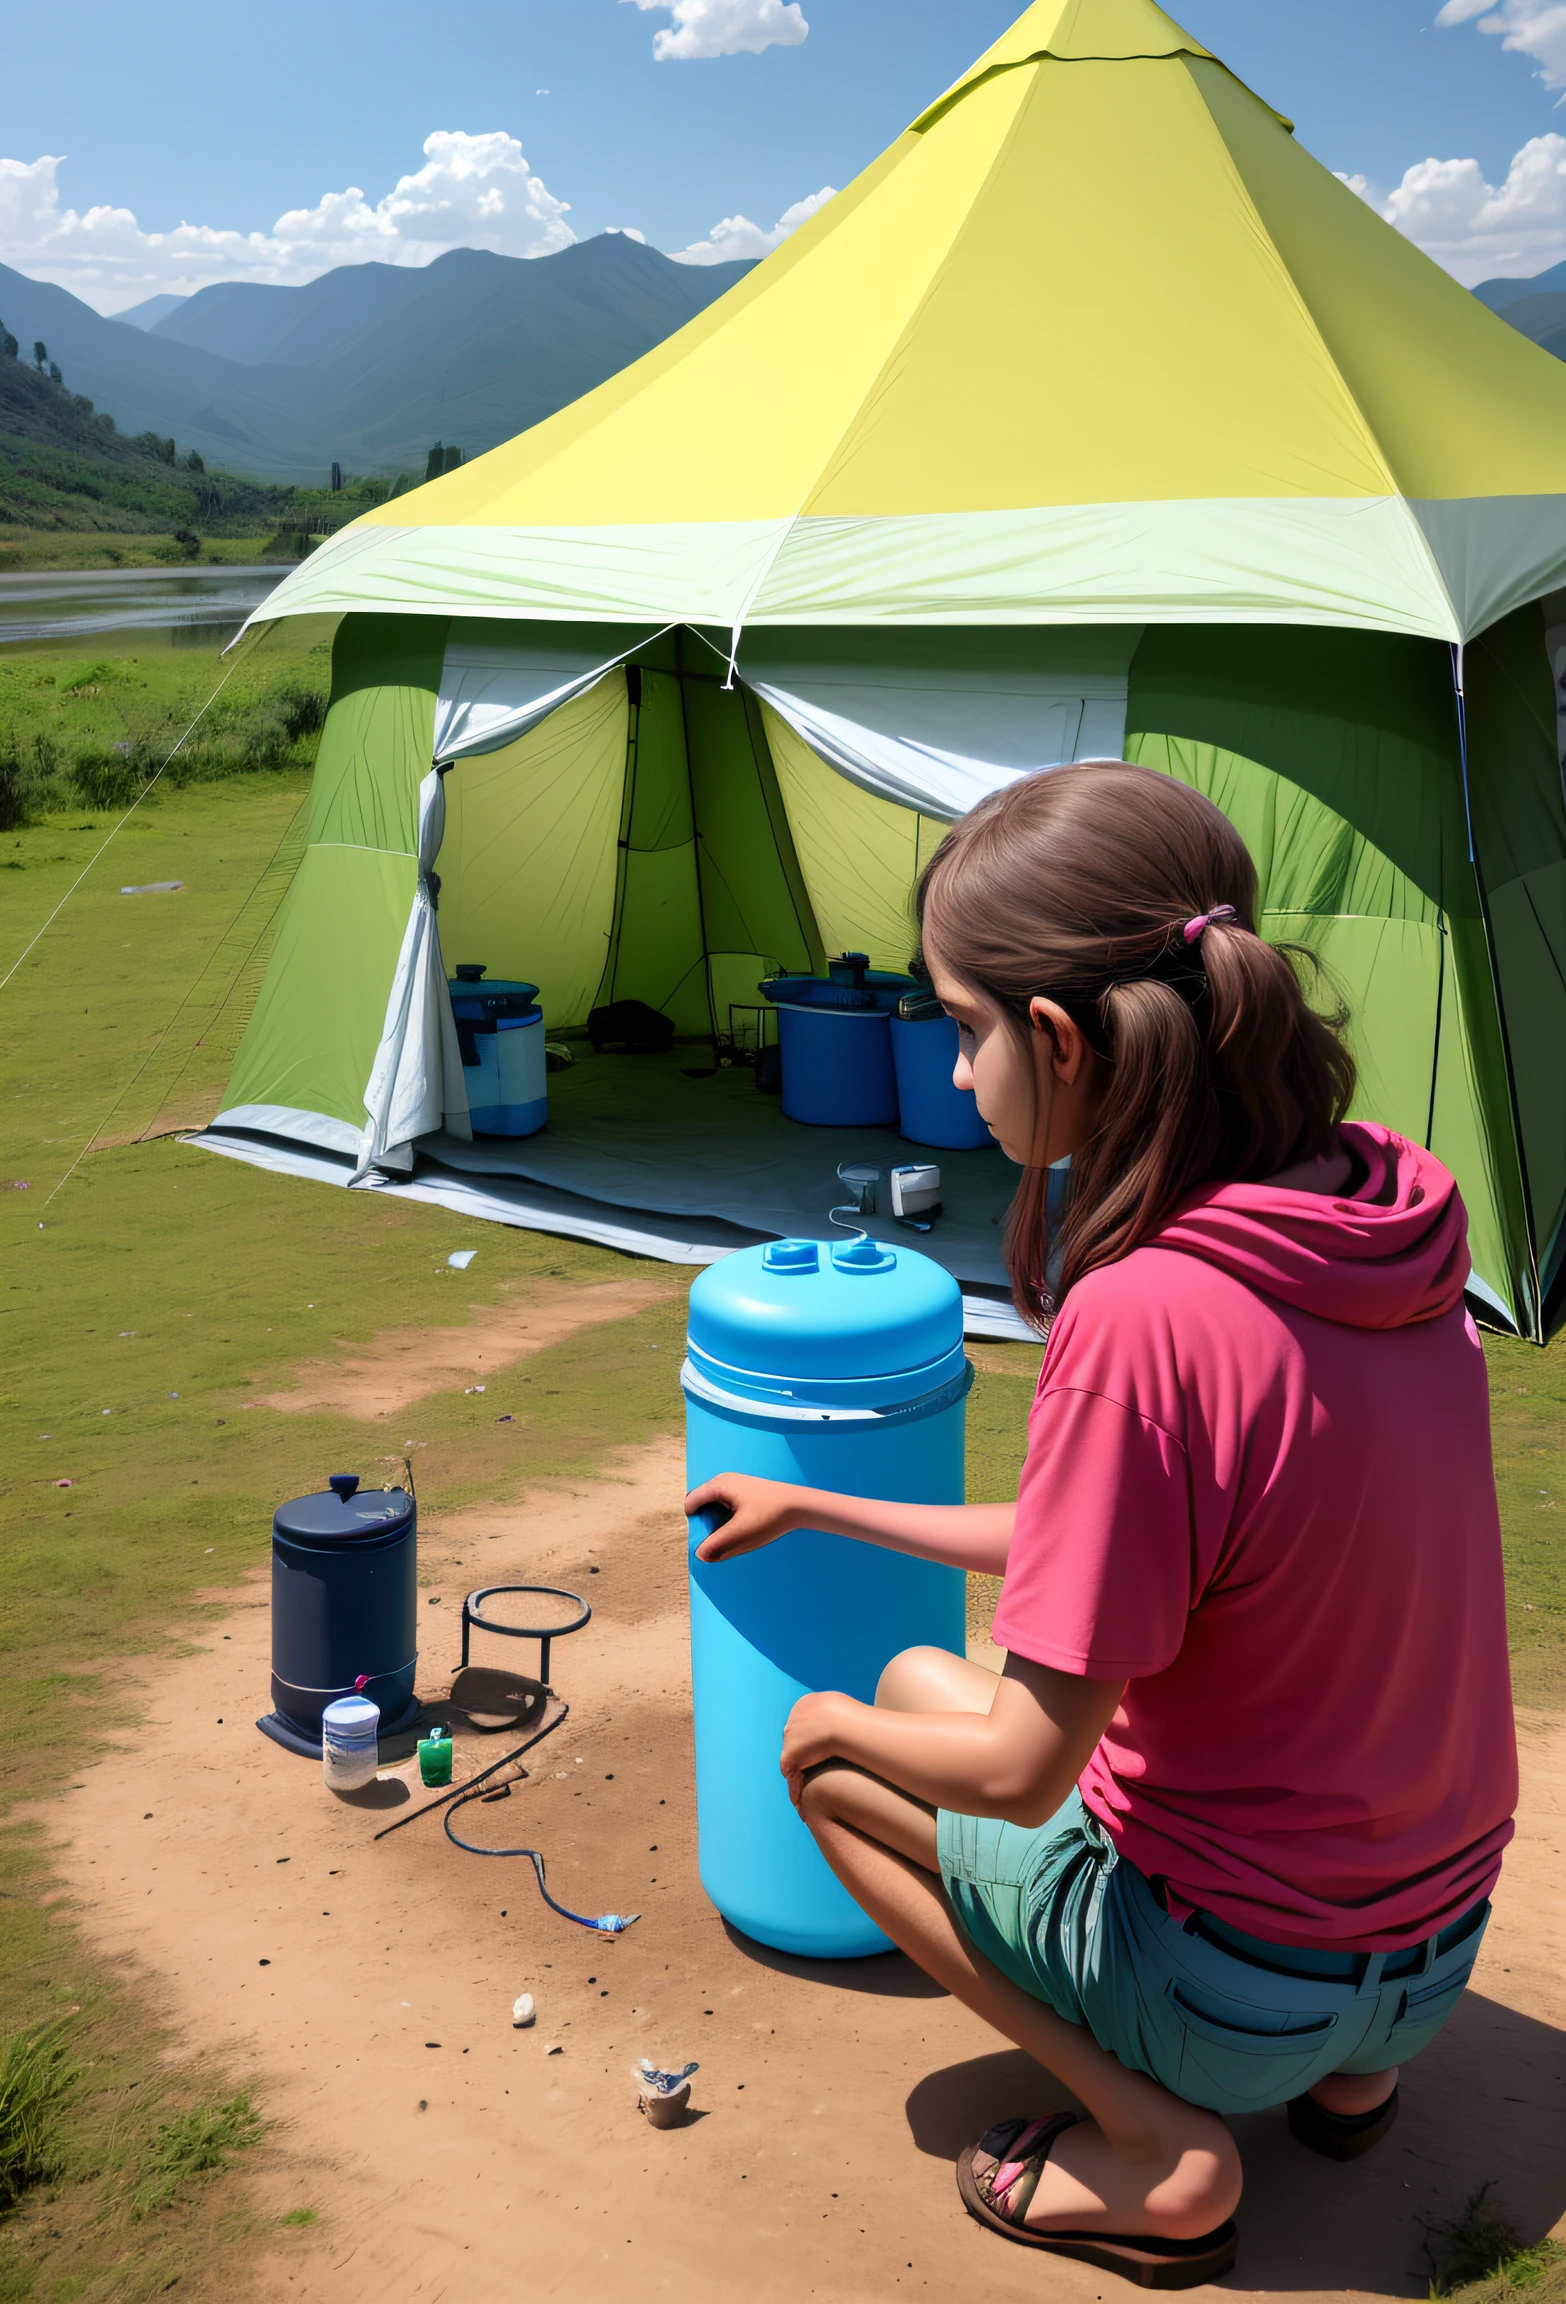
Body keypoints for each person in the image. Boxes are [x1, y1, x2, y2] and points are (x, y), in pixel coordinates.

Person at [685, 762, 1517, 2289]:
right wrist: (814, 1501)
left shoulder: (1145, 1315)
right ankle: (1351, 2090)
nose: (949, 1079)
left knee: (829, 1742)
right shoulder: (1378, 1223)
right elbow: (1136, 1537)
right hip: (1431, 1953)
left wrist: (826, 1734)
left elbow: (1020, 1772)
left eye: (957, 1028)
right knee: (924, 1686)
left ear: (1056, 1038)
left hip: (1237, 1991)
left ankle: (1156, 2150)